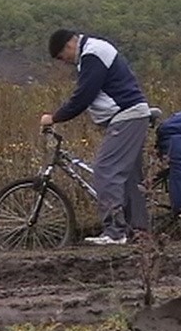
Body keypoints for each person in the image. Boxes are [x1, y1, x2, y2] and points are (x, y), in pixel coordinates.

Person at [40, 29, 151, 245]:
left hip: (126, 116)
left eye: (63, 58)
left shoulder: (92, 53)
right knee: (128, 177)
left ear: (69, 46)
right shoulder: (92, 52)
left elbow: (84, 95)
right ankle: (139, 231)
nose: (65, 63)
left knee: (105, 169)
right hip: (131, 115)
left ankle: (115, 233)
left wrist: (54, 117)